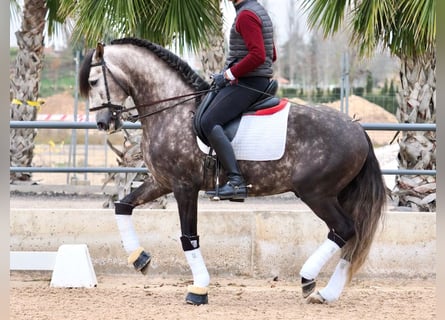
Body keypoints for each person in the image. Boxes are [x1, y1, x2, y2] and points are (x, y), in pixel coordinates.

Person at [201, 0, 277, 200]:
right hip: (257, 80)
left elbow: (259, 55)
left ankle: (235, 181)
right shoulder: (258, 10)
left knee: (209, 121)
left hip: (250, 83)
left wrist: (228, 75)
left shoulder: (245, 15)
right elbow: (273, 54)